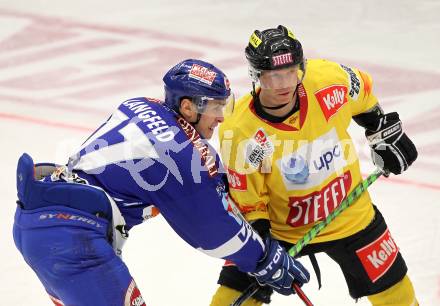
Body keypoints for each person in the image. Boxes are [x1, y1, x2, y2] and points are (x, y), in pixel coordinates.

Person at [13, 59, 310, 306]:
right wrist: (263, 259)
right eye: (215, 107)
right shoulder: (184, 153)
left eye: (225, 106)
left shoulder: (140, 105)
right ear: (188, 107)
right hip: (74, 240)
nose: (221, 117)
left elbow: (185, 177)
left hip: (38, 223)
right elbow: (213, 231)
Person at [210, 26, 419, 306]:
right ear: (256, 75)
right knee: (230, 300)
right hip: (282, 230)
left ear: (302, 67)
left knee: (398, 295)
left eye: (291, 72)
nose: (284, 84)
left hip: (349, 216)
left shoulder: (328, 81)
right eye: (273, 77)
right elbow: (250, 205)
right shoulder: (239, 132)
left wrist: (381, 130)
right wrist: (262, 250)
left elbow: (364, 94)